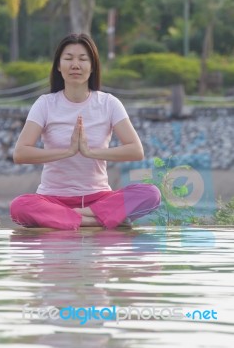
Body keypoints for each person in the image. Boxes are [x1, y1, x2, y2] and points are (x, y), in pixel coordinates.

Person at [10, 33, 161, 230]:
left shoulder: (108, 103)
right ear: (58, 65)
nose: (75, 65)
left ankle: (71, 219)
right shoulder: (45, 104)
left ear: (92, 66)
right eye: (68, 58)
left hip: (99, 199)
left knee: (151, 194)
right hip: (53, 199)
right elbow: (20, 153)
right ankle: (100, 220)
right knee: (19, 206)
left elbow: (136, 150)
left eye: (83, 59)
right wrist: (68, 152)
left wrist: (91, 153)